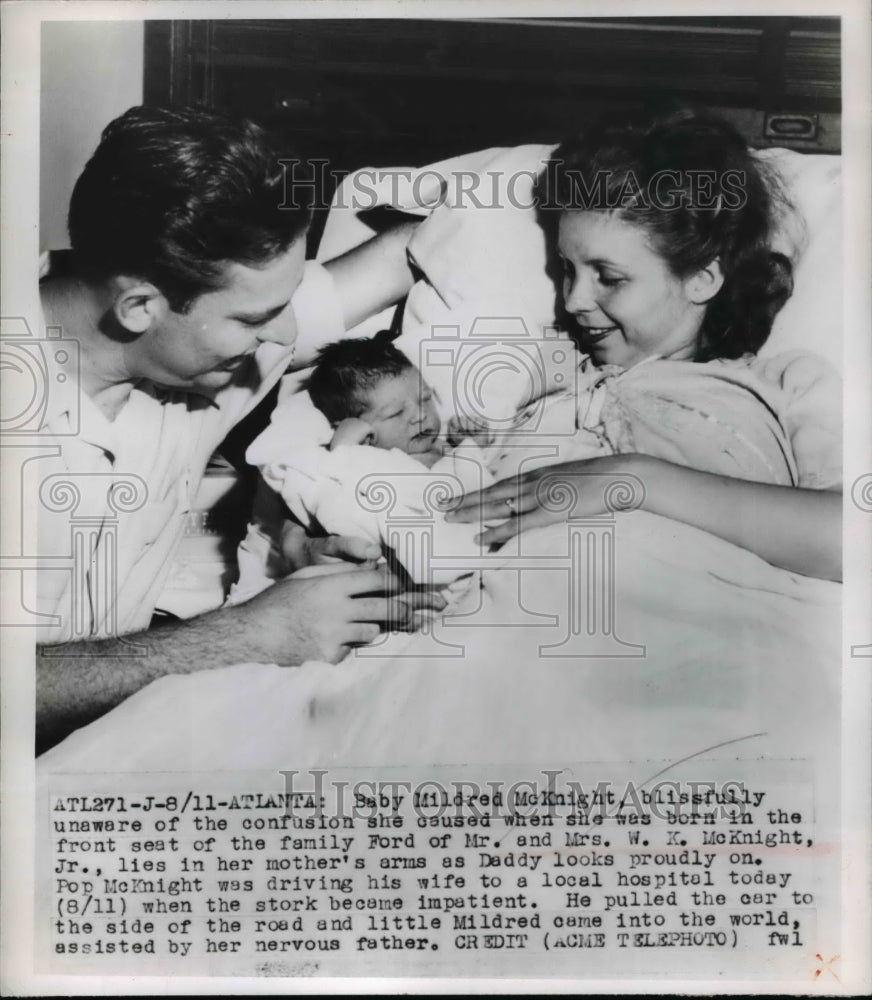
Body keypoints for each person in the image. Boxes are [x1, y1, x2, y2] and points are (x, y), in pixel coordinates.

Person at [35, 106, 437, 752]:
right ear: (139, 308)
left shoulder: (188, 322)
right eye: (256, 320)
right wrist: (248, 637)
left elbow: (402, 255)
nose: (282, 338)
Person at [443, 109, 842, 583]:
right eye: (566, 269)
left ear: (701, 278)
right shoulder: (533, 375)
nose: (573, 300)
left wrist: (633, 479)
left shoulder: (787, 384)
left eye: (609, 277)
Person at [306, 333, 444, 465]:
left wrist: (463, 440)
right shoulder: (376, 463)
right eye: (397, 412)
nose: (421, 415)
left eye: (425, 398)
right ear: (358, 430)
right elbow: (336, 473)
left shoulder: (442, 446)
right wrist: (344, 444)